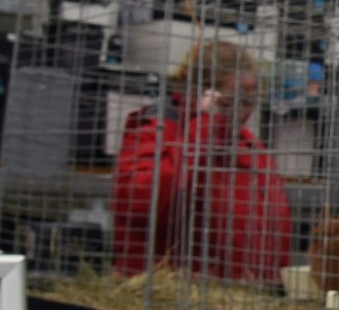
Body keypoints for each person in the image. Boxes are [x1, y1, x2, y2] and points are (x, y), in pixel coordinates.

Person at [110, 38, 292, 282]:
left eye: (250, 101)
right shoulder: (157, 130)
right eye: (232, 101)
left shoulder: (250, 146)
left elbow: (275, 226)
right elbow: (148, 204)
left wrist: (279, 284)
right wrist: (208, 124)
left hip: (245, 297)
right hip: (173, 297)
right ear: (199, 92)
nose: (243, 112)